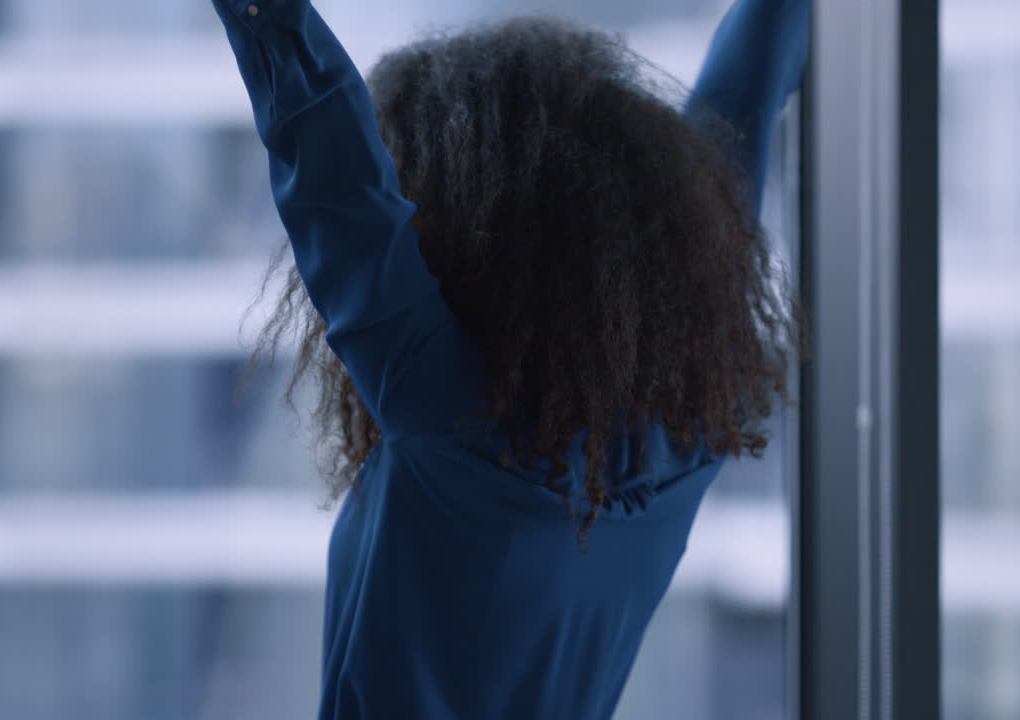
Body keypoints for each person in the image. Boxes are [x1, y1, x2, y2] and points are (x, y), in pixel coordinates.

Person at [211, 0, 809, 717]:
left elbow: (334, 162)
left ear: (456, 228)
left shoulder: (445, 412)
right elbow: (743, 101)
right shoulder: (686, 437)